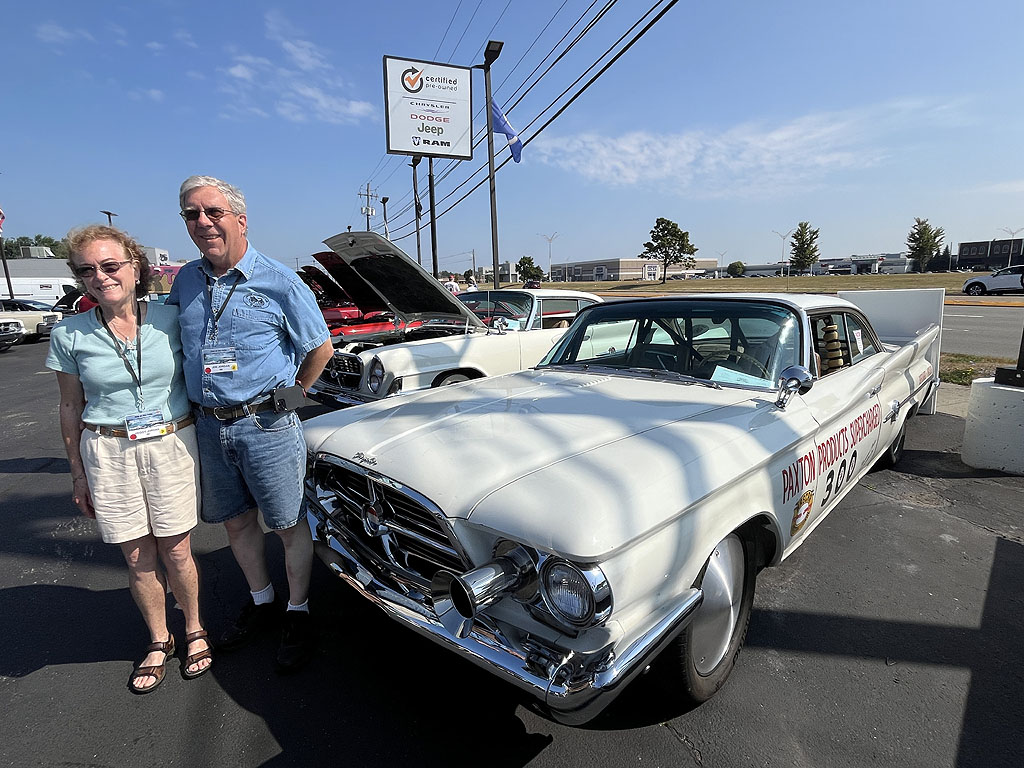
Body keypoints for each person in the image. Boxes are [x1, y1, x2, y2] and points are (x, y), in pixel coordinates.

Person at [167, 175, 333, 673]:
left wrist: (291, 398)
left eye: (212, 212)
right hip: (209, 427)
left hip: (267, 425)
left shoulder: (280, 281)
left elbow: (319, 348)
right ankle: (262, 601)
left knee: (286, 524)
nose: (202, 222)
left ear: (240, 220)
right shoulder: (185, 280)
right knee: (237, 522)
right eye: (191, 214)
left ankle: (298, 611)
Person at [47, 225, 210, 694]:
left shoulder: (172, 318)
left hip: (170, 443)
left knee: (176, 549)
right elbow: (70, 406)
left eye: (110, 265)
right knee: (137, 554)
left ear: (135, 268)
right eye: (87, 270)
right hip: (108, 450)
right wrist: (77, 473)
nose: (100, 277)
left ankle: (194, 628)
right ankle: (159, 639)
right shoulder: (68, 334)